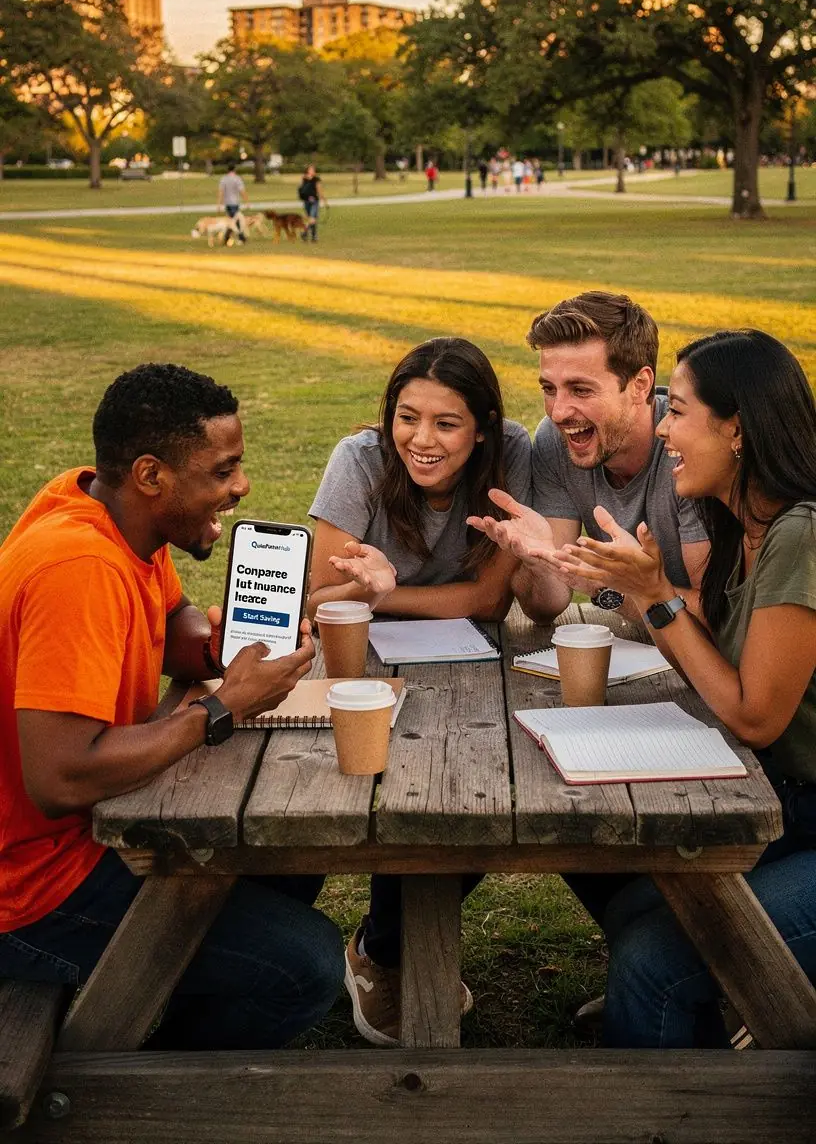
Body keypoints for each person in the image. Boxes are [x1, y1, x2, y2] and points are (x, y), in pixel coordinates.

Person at [0, 363, 343, 1050]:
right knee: (304, 965)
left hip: (86, 843)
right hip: (34, 892)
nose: (241, 487)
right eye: (222, 471)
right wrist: (223, 709)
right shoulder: (79, 570)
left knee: (292, 857)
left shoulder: (108, 511)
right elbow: (61, 777)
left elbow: (175, 625)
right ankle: (136, 1092)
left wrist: (230, 648)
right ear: (152, 476)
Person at [550, 330, 816, 1048]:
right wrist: (636, 588)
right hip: (780, 802)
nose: (664, 426)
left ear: (737, 428)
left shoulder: (801, 534)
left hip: (801, 810)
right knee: (633, 888)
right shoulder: (748, 529)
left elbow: (755, 715)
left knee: (653, 960)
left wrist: (653, 591)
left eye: (682, 410)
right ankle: (712, 1023)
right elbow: (698, 640)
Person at [307, 336, 533, 1046]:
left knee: (485, 791)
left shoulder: (514, 453)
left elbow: (491, 599)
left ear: (484, 428)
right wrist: (364, 594)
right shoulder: (360, 460)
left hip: (474, 660)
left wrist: (385, 591)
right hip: (361, 664)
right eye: (408, 417)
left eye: (446, 423)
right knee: (369, 782)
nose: (421, 440)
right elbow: (317, 593)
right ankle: (385, 950)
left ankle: (382, 945)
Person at [468, 292, 709, 626]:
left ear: (640, 385)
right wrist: (541, 561)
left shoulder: (688, 450)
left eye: (580, 390)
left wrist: (609, 586)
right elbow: (546, 606)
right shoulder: (556, 441)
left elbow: (717, 616)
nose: (559, 412)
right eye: (549, 389)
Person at [217, 162, 247, 244]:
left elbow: (221, 192)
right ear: (235, 169)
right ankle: (241, 238)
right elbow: (242, 191)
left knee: (231, 221)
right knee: (234, 221)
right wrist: (246, 202)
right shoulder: (237, 179)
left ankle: (227, 238)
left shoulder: (224, 179)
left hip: (227, 204)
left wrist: (219, 204)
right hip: (235, 203)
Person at [298, 164, 325, 243]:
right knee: (311, 219)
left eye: (313, 170)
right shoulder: (305, 178)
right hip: (307, 201)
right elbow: (301, 189)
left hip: (314, 201)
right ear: (308, 170)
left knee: (312, 218)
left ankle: (308, 234)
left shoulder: (316, 179)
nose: (312, 171)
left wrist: (322, 200)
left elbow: (319, 190)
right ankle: (311, 235)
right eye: (311, 169)